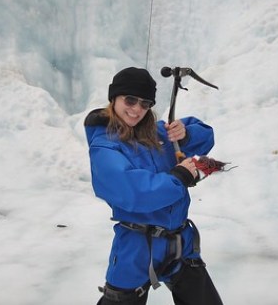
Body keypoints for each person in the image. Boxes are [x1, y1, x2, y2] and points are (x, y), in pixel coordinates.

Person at [84, 67, 224, 305]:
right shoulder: (105, 146)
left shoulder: (159, 132)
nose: (137, 109)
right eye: (130, 99)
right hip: (136, 248)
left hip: (181, 242)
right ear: (114, 98)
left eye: (145, 103)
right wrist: (179, 177)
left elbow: (206, 136)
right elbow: (133, 191)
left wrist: (186, 134)